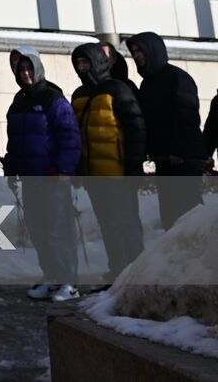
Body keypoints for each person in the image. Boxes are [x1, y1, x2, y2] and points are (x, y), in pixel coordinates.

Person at [1, 48, 83, 302]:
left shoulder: (52, 99)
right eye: (21, 70)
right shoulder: (18, 101)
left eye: (29, 68)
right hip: (30, 178)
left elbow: (69, 136)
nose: (25, 74)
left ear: (37, 68)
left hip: (52, 177)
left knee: (59, 230)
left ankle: (69, 281)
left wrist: (64, 168)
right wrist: (11, 169)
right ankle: (51, 276)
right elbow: (14, 141)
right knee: (39, 230)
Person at [71, 42, 146, 283]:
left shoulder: (118, 89)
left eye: (86, 62)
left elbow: (136, 128)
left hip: (118, 173)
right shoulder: (78, 95)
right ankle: (116, 271)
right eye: (78, 63)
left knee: (126, 224)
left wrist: (134, 166)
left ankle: (136, 273)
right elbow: (76, 135)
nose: (82, 68)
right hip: (94, 175)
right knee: (107, 225)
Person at [125, 32, 205, 229]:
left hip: (182, 159)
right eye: (133, 52)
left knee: (189, 215)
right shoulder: (147, 83)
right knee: (170, 216)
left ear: (152, 50)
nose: (136, 56)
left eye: (139, 50)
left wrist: (178, 150)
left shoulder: (177, 77)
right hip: (163, 159)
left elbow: (187, 116)